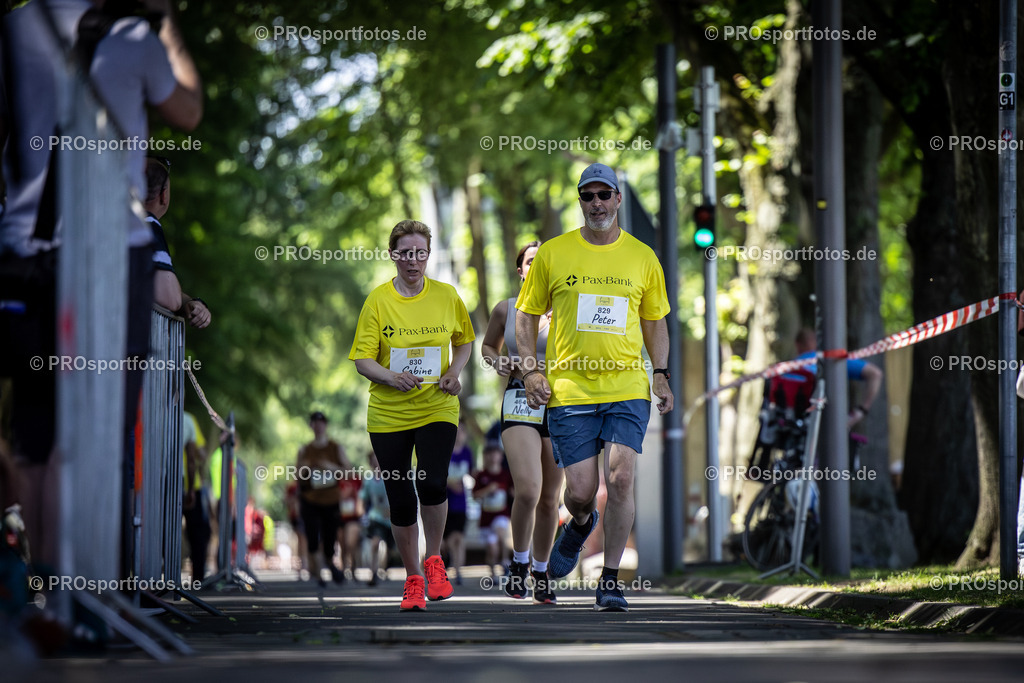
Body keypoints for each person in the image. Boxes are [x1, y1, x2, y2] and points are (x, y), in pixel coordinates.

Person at [0, 0, 202, 574]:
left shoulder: (13, 29)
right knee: (102, 436)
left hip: (28, 258)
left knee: (35, 438)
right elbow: (186, 110)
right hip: (114, 256)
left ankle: (41, 602)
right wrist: (168, 24)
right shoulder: (135, 34)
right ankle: (87, 594)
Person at [516, 162, 673, 612]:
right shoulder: (554, 254)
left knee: (621, 478)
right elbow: (526, 316)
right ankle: (581, 523)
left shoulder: (642, 256)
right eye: (589, 196)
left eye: (606, 194)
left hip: (626, 385)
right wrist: (531, 371)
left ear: (619, 199)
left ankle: (609, 581)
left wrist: (660, 374)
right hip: (570, 389)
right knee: (581, 492)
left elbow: (654, 320)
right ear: (580, 201)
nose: (598, 203)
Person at [349, 219, 474, 612]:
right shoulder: (378, 301)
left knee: (434, 483)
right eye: (405, 253)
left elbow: (465, 341)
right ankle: (412, 579)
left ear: (428, 255)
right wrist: (391, 377)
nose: (413, 261)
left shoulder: (447, 296)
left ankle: (434, 560)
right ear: (393, 255)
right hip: (389, 412)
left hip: (437, 405)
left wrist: (454, 373)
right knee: (401, 499)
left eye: (420, 253)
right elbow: (362, 360)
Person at [480, 240, 563, 603]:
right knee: (528, 489)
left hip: (560, 405)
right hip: (519, 401)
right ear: (521, 270)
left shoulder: (566, 310)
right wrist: (496, 361)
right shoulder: (506, 309)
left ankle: (541, 571)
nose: (537, 266)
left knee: (550, 499)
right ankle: (518, 562)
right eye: (531, 261)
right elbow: (487, 347)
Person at [143, 155, 210, 328]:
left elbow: (155, 282)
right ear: (163, 196)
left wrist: (190, 302)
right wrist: (180, 301)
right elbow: (170, 298)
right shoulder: (146, 224)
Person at [296, 411, 351, 587]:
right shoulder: (305, 450)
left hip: (331, 500)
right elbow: (297, 475)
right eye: (315, 422)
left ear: (325, 425)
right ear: (311, 426)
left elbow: (348, 471)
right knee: (312, 537)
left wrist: (330, 467)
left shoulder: (336, 448)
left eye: (321, 422)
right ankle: (320, 574)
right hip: (310, 499)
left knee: (330, 538)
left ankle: (329, 563)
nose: (318, 426)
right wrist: (306, 468)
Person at [793, 328, 883, 430]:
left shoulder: (789, 367)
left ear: (797, 345)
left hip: (798, 424)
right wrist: (862, 410)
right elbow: (875, 373)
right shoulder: (833, 359)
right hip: (831, 422)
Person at [471, 443, 514, 577]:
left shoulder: (506, 475)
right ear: (485, 456)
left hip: (502, 514)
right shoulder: (481, 475)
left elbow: (514, 492)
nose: (493, 457)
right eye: (490, 454)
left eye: (496, 453)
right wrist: (488, 489)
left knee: (501, 532)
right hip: (486, 518)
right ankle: (493, 572)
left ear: (501, 456)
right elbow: (475, 495)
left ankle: (505, 561)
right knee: (492, 548)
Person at [441, 420, 473, 586]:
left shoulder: (468, 453)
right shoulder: (444, 450)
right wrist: (450, 483)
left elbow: (473, 474)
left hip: (461, 504)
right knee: (445, 543)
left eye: (462, 431)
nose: (459, 435)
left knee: (458, 538)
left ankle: (458, 571)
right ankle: (443, 565)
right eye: (456, 431)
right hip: (444, 503)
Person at [181, 410, 210, 582]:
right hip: (188, 484)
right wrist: (191, 487)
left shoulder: (152, 412)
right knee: (199, 533)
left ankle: (153, 580)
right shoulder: (187, 419)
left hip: (159, 483)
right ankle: (198, 578)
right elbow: (196, 455)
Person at [360, 450, 393, 586]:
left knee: (390, 547)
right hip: (376, 517)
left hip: (391, 518)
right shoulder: (368, 481)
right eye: (373, 460)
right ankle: (373, 572)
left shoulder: (392, 477)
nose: (376, 462)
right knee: (375, 543)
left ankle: (385, 567)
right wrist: (363, 515)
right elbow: (363, 499)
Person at [337, 469, 363, 580]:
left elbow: (363, 494)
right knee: (342, 544)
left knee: (350, 543)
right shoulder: (336, 480)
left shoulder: (357, 480)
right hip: (339, 517)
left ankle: (353, 567)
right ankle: (343, 569)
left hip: (353, 517)